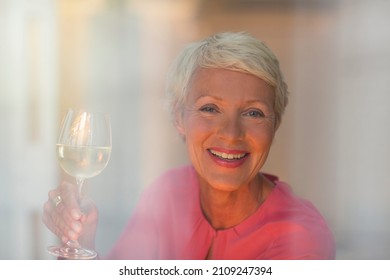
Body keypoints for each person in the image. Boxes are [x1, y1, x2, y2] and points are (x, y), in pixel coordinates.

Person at [43, 32, 335, 259]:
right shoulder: (169, 192)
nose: (231, 133)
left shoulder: (301, 241)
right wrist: (82, 241)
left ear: (276, 124)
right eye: (210, 108)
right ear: (178, 118)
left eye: (253, 113)